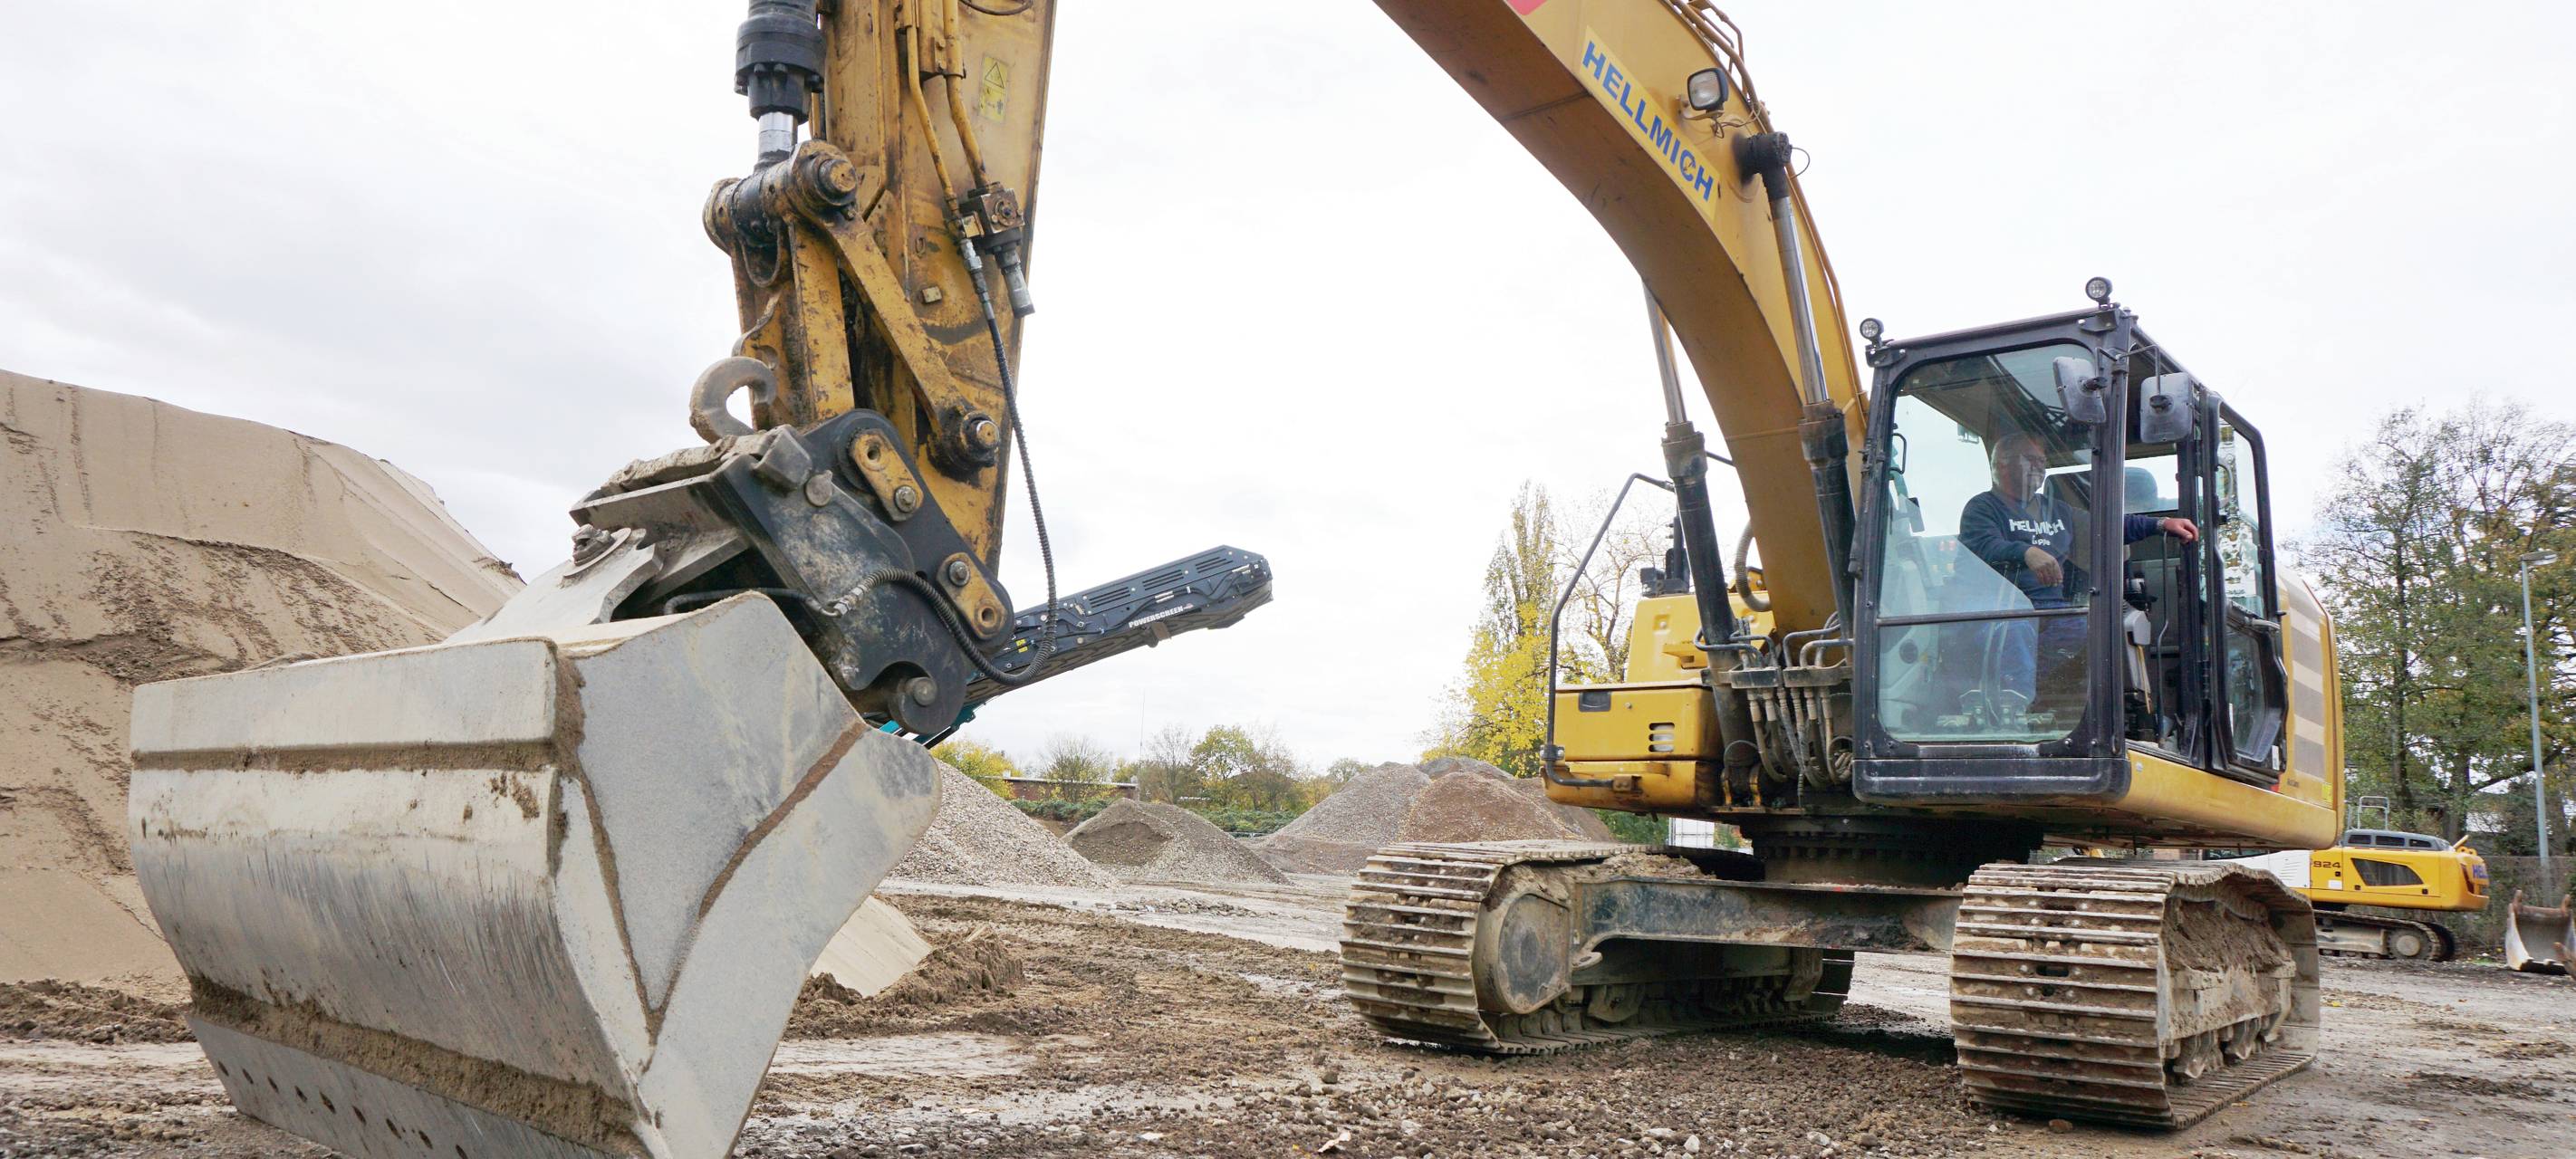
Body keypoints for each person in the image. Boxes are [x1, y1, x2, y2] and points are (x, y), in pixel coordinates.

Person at [1956, 432, 2197, 722]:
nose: (2039, 468)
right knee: (2016, 627)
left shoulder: (2055, 510)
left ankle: (2108, 716)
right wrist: (2026, 552)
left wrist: (2161, 524)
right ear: (2002, 465)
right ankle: (2013, 711)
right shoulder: (1982, 508)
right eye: (2030, 460)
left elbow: (2105, 526)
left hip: (2054, 611)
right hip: (2001, 610)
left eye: (2042, 462)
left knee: (2100, 629)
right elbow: (1982, 546)